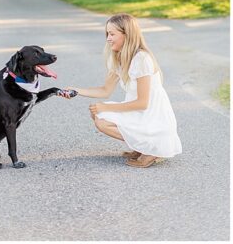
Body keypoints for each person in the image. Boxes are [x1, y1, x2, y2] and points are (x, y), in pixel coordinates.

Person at [63, 13, 182, 168]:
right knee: (98, 115)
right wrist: (76, 90)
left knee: (103, 119)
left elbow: (143, 103)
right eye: (107, 34)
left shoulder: (142, 59)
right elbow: (105, 90)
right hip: (140, 112)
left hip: (152, 115)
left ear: (127, 35)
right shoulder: (118, 57)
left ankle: (152, 149)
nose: (108, 38)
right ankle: (142, 147)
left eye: (112, 34)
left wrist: (106, 107)